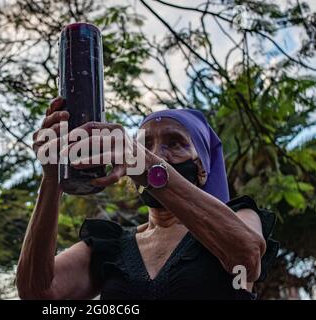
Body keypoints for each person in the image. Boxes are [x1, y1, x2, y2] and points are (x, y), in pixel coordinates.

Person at [16, 97, 279, 300]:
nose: (158, 154)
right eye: (145, 145)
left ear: (201, 170)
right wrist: (52, 179)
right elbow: (39, 293)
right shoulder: (112, 245)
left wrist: (147, 164)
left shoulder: (237, 219)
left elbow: (247, 257)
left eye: (175, 143)